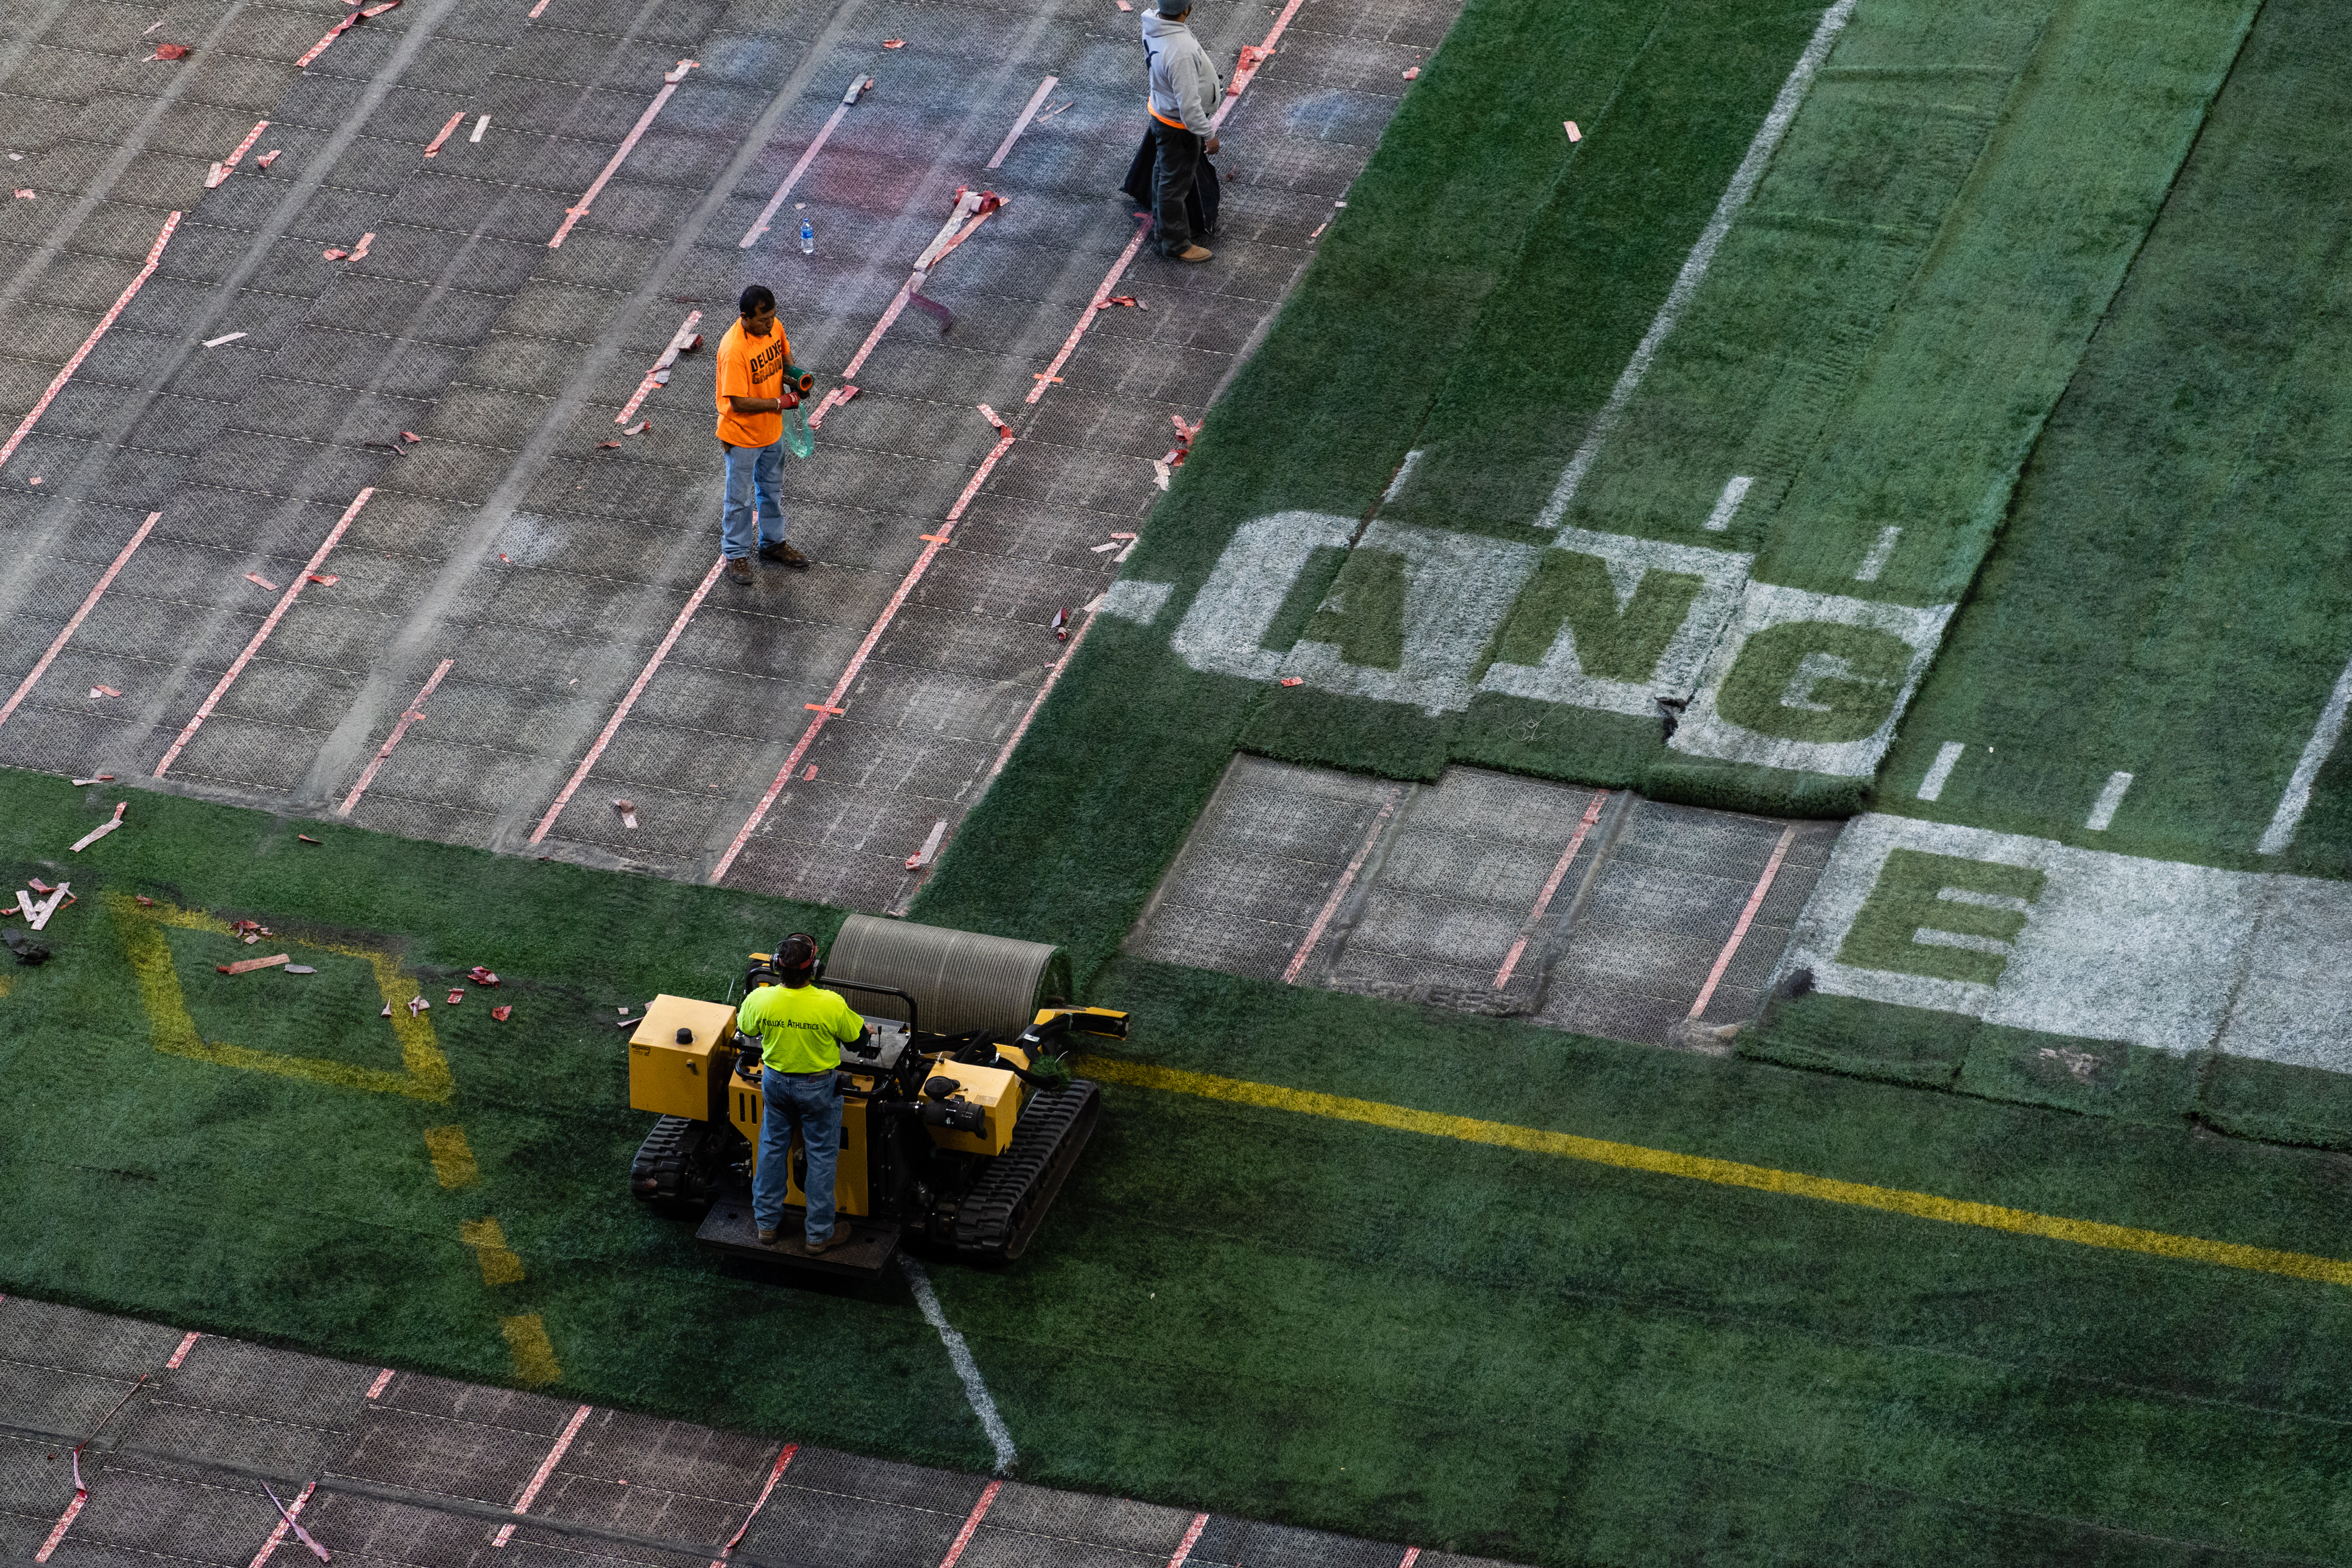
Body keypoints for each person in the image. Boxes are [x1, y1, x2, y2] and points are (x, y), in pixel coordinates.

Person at [736, 933, 865, 1252]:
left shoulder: (760, 999)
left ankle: (767, 1224)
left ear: (777, 967)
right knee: (821, 1156)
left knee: (771, 1148)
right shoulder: (831, 1004)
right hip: (818, 1089)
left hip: (776, 1084)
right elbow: (859, 1042)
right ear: (815, 969)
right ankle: (819, 1235)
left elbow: (747, 1029)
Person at [713, 284, 809, 585]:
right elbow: (738, 402)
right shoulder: (734, 350)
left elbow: (784, 354)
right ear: (745, 317)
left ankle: (773, 544)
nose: (770, 325)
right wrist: (780, 402)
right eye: (763, 320)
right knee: (739, 500)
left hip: (772, 432)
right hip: (742, 436)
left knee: (772, 491)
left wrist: (795, 379)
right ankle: (736, 555)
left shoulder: (774, 327)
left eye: (772, 318)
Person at [1122, 0, 1222, 262]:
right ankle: (1175, 243)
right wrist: (1208, 134)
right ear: (1186, 10)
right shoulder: (1180, 51)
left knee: (1163, 173)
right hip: (1178, 126)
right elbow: (1189, 106)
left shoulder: (1155, 25)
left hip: (1162, 113)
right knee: (1173, 185)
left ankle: (1166, 226)